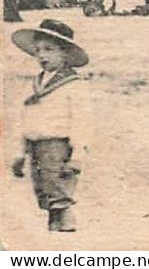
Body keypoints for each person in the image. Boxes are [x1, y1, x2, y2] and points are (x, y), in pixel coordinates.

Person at [9, 19, 90, 232]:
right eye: (37, 51)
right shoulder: (35, 84)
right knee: (42, 189)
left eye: (49, 50)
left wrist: (78, 156)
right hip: (35, 144)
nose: (42, 56)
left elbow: (82, 121)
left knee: (59, 189)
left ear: (64, 54)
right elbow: (25, 116)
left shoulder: (73, 85)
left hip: (58, 146)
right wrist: (20, 152)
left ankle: (65, 227)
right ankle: (54, 226)